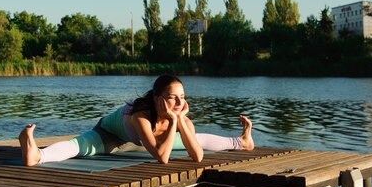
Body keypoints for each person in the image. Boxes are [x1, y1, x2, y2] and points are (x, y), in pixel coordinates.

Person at [19, 75, 254, 166]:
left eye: (182, 98)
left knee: (197, 137)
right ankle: (38, 154)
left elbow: (198, 156)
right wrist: (175, 121)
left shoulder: (179, 115)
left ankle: (242, 142)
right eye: (172, 98)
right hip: (110, 135)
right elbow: (162, 158)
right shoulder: (140, 115)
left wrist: (180, 120)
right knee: (80, 147)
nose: (178, 103)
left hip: (145, 139)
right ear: (157, 98)